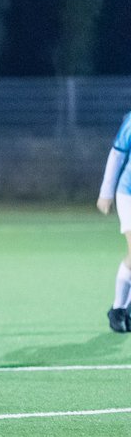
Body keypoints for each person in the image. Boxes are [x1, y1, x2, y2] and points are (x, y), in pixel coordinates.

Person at [97, 112, 131, 332]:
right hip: (128, 193)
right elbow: (117, 154)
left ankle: (127, 310)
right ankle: (118, 309)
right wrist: (105, 192)